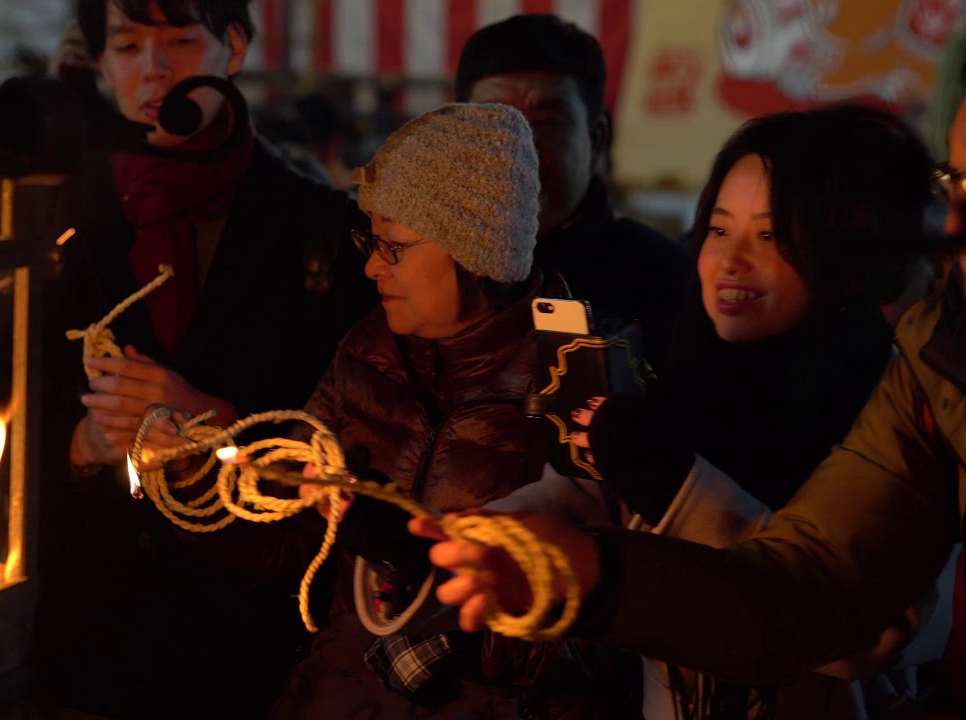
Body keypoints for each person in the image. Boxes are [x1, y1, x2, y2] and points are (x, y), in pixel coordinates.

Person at [411, 100, 966, 717]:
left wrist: (678, 488)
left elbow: (861, 630)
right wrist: (432, 540)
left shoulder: (901, 394)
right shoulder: (673, 369)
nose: (730, 260)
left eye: (772, 236)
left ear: (848, 260)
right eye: (720, 230)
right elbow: (579, 499)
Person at [35, 1, 375, 718]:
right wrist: (82, 443)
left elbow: (359, 454)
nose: (154, 70)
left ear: (236, 47)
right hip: (80, 646)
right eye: (128, 46)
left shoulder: (318, 229)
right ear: (100, 63)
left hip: (247, 655)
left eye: (181, 42)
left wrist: (217, 428)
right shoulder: (49, 219)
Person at [269, 102, 639, 720]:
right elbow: (291, 549)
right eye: (369, 238)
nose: (370, 265)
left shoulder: (582, 381)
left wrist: (426, 579)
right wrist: (207, 477)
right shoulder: (366, 351)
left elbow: (605, 635)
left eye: (393, 245)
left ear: (476, 252)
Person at [456, 13, 690, 369]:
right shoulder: (409, 266)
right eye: (495, 121)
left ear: (595, 140)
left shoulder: (663, 280)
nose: (519, 148)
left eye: (548, 123)